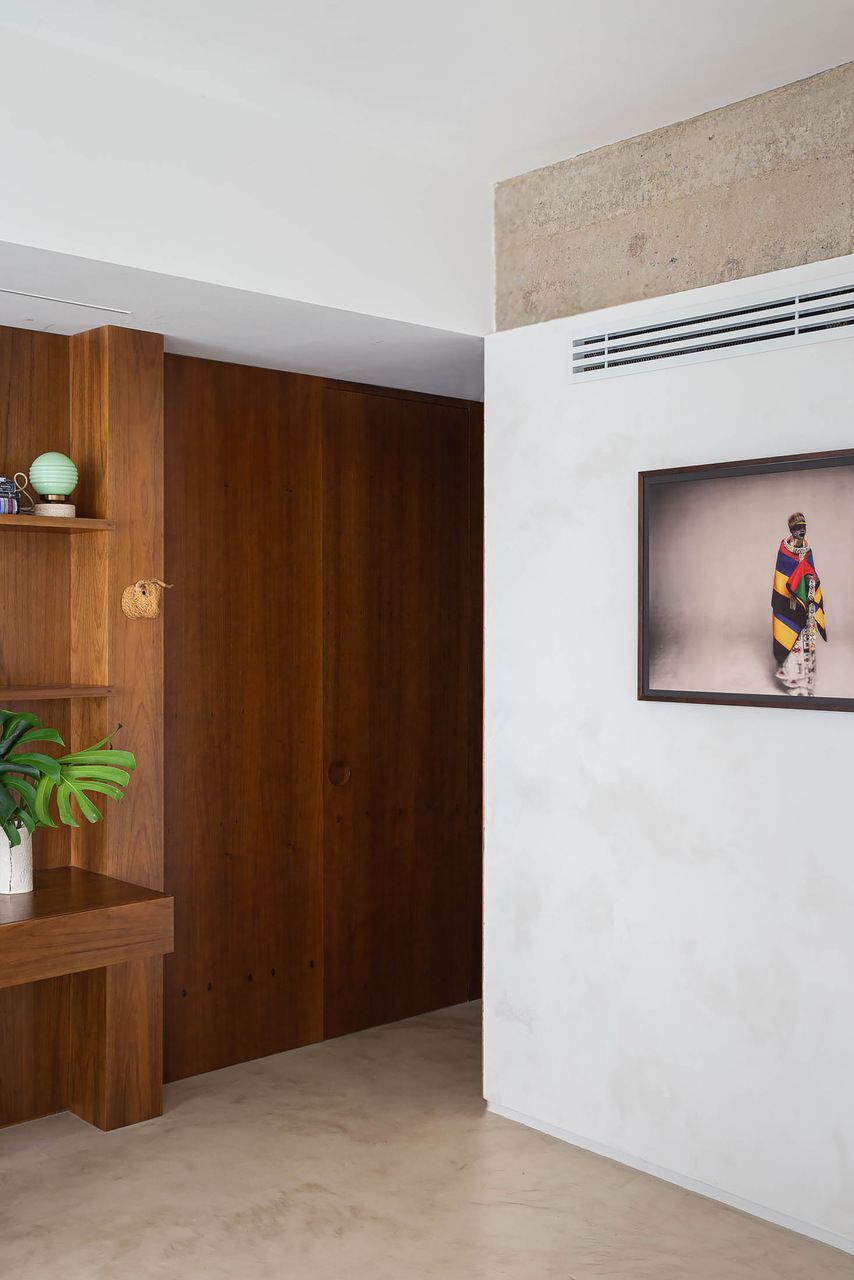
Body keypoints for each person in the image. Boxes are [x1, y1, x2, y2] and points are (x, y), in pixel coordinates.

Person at [772, 512, 826, 696]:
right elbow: (781, 579)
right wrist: (792, 591)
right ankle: (794, 683)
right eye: (797, 528)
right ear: (791, 529)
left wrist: (812, 579)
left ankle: (805, 682)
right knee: (791, 638)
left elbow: (812, 571)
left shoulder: (807, 550)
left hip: (806, 602)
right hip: (789, 604)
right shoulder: (785, 550)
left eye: (804, 527)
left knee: (806, 639)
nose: (801, 531)